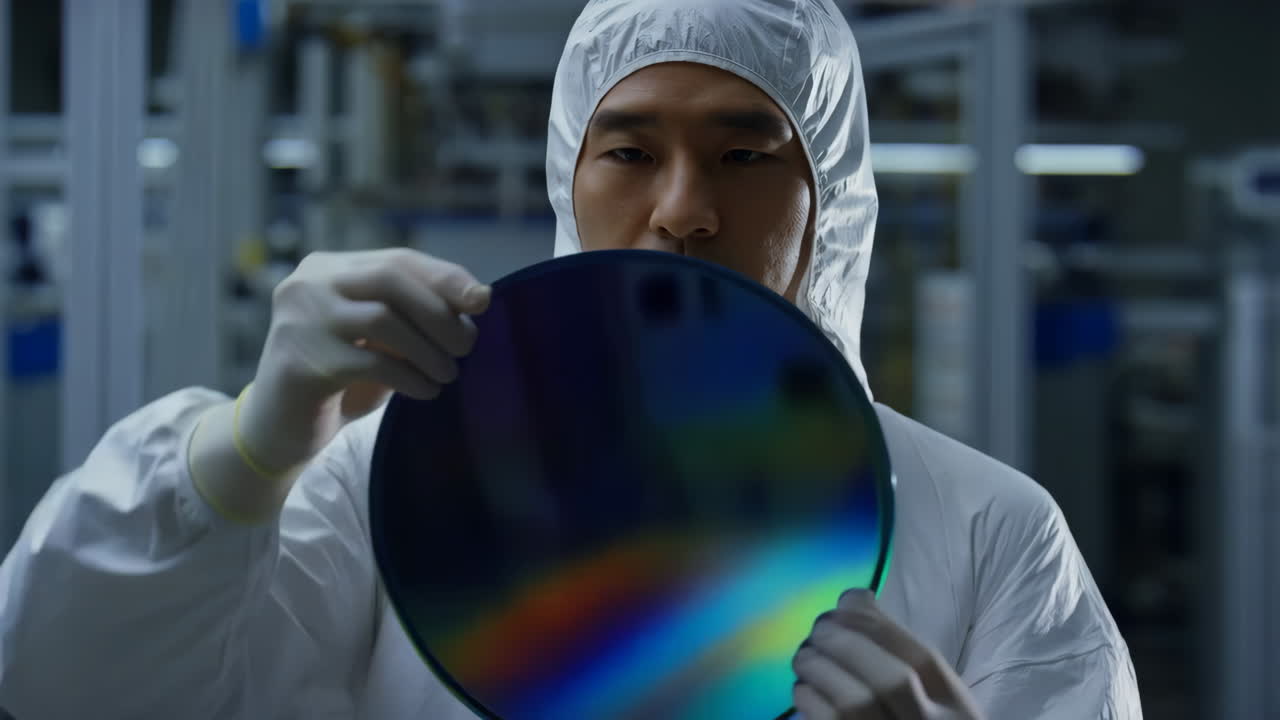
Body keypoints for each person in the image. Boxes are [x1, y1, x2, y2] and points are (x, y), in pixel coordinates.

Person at [0, 0, 1141, 718]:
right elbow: (73, 690)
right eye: (630, 149)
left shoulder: (991, 532)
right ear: (569, 179)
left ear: (827, 201)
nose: (682, 211)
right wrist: (237, 457)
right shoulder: (392, 484)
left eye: (746, 154)